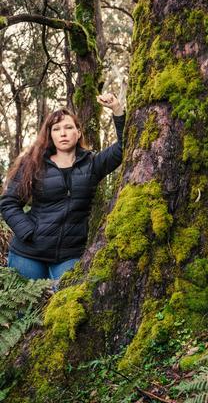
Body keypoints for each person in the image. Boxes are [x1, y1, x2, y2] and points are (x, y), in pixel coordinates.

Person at [0, 94, 124, 281]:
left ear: (78, 132)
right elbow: (9, 202)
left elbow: (125, 146)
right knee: (26, 310)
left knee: (69, 306)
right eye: (56, 129)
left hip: (69, 255)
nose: (63, 133)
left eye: (68, 127)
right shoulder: (34, 163)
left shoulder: (92, 163)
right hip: (28, 253)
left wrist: (117, 110)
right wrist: (28, 232)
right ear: (50, 135)